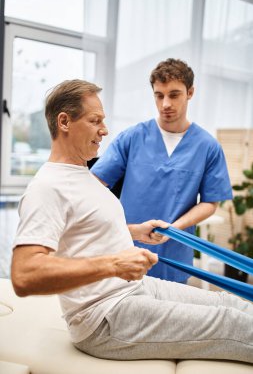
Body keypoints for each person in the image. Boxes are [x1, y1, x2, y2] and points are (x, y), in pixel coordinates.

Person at [11, 79, 253, 364]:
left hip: (134, 288)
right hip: (105, 316)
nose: (105, 130)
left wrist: (135, 232)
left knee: (231, 303)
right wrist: (113, 264)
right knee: (234, 325)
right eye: (95, 120)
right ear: (64, 122)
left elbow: (82, 234)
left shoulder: (82, 175)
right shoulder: (48, 187)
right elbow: (24, 274)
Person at [91, 58, 233, 283]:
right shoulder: (132, 137)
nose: (165, 103)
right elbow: (94, 185)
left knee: (173, 312)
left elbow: (210, 203)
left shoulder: (207, 146)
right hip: (126, 250)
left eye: (174, 94)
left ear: (190, 92)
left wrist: (173, 228)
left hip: (175, 253)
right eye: (159, 95)